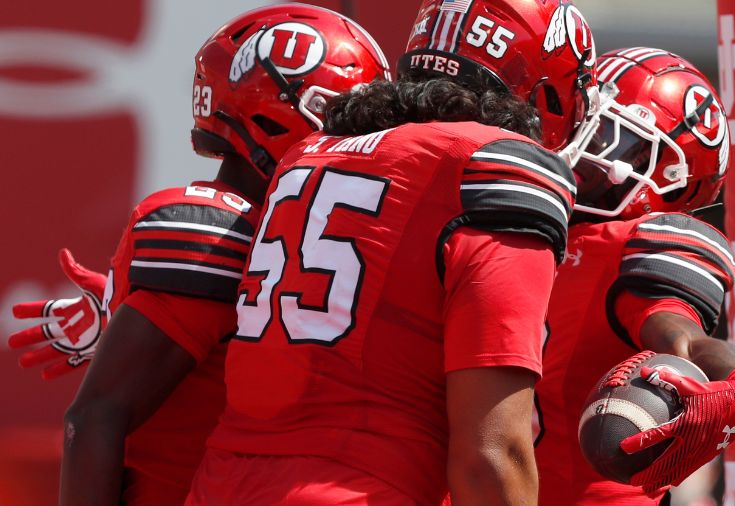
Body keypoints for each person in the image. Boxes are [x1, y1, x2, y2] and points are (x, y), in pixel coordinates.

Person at [186, 1, 606, 505]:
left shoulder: (309, 152)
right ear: (544, 86)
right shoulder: (493, 167)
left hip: (219, 487)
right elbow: (490, 456)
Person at [7, 5, 390, 505]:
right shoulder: (212, 232)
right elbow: (93, 417)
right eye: (346, 114)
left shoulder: (300, 231)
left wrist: (114, 314)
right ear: (275, 111)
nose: (368, 137)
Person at [534, 48, 735, 505]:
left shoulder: (624, 247)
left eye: (611, 137)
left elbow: (681, 333)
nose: (584, 147)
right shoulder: (520, 226)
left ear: (673, 179)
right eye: (584, 124)